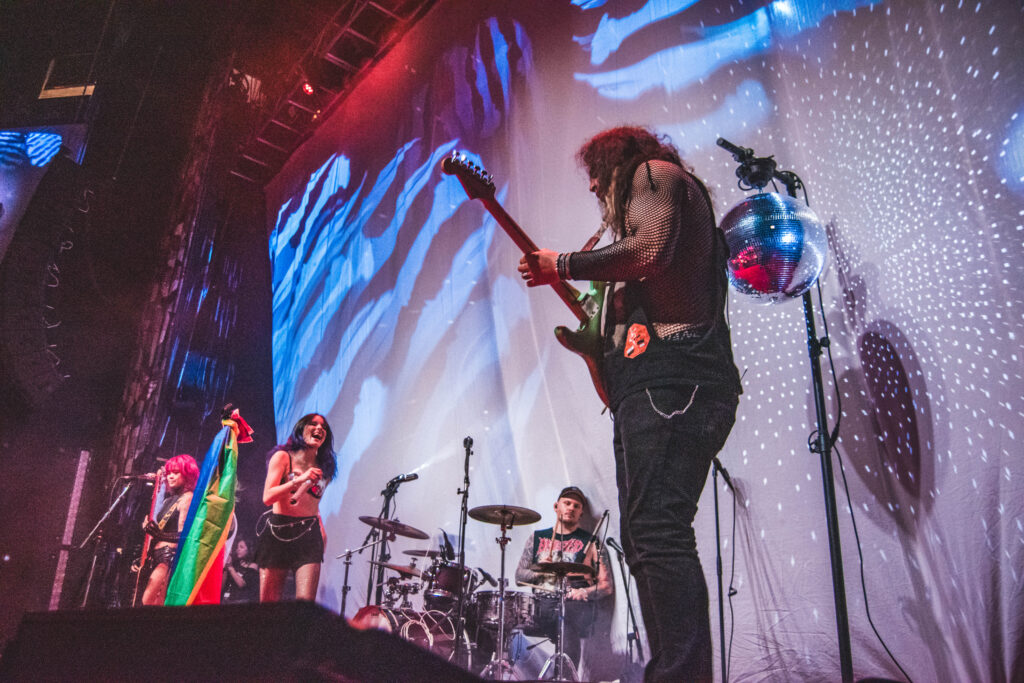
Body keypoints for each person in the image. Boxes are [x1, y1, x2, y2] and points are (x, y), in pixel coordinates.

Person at [517, 126, 742, 682]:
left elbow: (649, 248)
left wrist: (561, 264)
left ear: (619, 162)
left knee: (658, 533)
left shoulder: (654, 174)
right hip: (656, 392)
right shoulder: (644, 231)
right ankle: (674, 671)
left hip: (674, 389)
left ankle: (681, 675)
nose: (595, 187)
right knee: (644, 540)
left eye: (597, 173)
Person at [514, 486, 613, 668]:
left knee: (565, 614)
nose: (571, 508)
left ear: (581, 513)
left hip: (574, 605)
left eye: (576, 506)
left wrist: (584, 592)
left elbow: (606, 585)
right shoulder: (537, 538)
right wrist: (541, 570)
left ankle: (565, 676)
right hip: (542, 605)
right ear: (556, 506)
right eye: (567, 503)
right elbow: (519, 577)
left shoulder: (591, 542)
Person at [255, 413, 337, 602]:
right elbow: (268, 497)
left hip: (309, 535)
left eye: (324, 427)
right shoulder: (283, 457)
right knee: (269, 604)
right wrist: (298, 480)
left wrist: (321, 529)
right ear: (301, 429)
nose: (319, 429)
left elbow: (313, 503)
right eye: (313, 424)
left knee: (305, 605)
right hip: (278, 532)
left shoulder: (325, 467)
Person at [141, 454, 199, 606]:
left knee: (149, 602)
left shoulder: (187, 498)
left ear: (187, 474)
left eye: (176, 472)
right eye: (169, 473)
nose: (170, 476)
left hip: (168, 559)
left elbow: (185, 537)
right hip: (156, 557)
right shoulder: (168, 500)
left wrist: (159, 534)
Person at [222, 538, 259, 604]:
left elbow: (242, 584)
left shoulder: (253, 566)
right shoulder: (235, 563)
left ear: (249, 550)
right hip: (227, 600)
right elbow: (223, 583)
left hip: (241, 601)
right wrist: (225, 567)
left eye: (241, 547)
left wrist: (230, 567)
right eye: (237, 547)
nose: (238, 549)